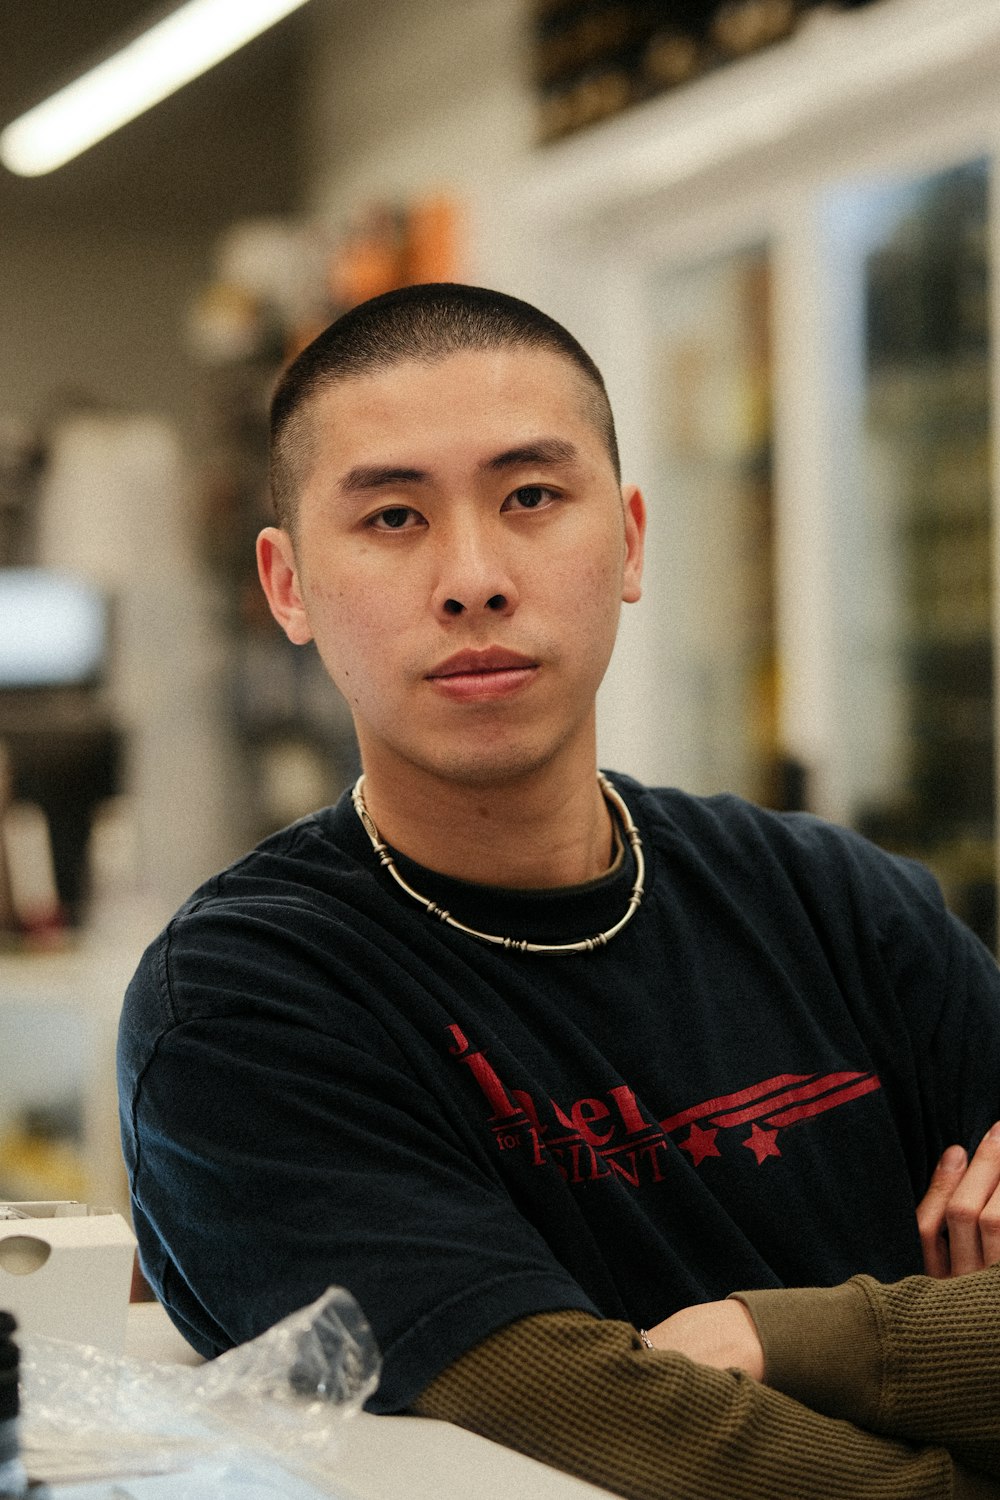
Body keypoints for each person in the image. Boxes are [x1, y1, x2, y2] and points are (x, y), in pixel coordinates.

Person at [118, 283, 1000, 1499]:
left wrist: (788, 1339)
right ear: (287, 586)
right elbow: (609, 1433)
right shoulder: (245, 1009)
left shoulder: (839, 905)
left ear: (630, 538)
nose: (473, 577)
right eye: (390, 516)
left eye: (530, 496)